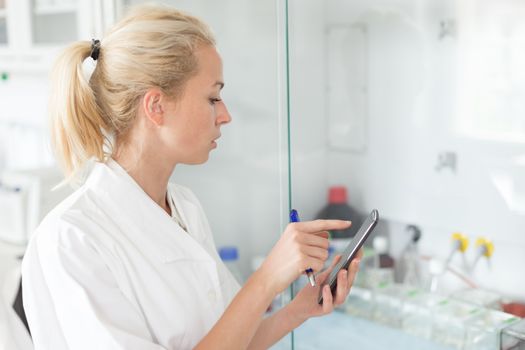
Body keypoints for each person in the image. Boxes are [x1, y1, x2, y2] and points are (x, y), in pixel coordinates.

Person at [21, 4, 362, 350]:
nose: (225, 115)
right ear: (156, 106)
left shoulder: (184, 207)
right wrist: (267, 279)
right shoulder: (71, 241)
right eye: (213, 97)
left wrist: (295, 311)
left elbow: (229, 341)